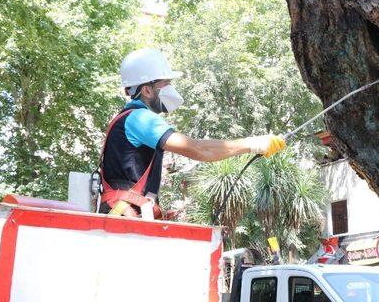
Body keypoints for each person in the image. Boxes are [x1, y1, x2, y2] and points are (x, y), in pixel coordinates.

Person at [98, 48, 286, 218]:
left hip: (120, 213)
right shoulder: (141, 119)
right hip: (124, 216)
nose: (171, 88)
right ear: (147, 89)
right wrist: (253, 143)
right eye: (166, 84)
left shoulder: (127, 118)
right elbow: (199, 149)